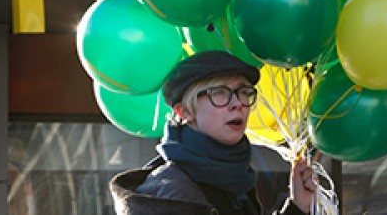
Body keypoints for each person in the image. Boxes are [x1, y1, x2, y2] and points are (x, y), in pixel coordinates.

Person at [110, 50, 317, 215]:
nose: (237, 103)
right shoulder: (169, 195)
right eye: (219, 93)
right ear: (185, 112)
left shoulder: (235, 182)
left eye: (243, 92)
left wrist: (297, 206)